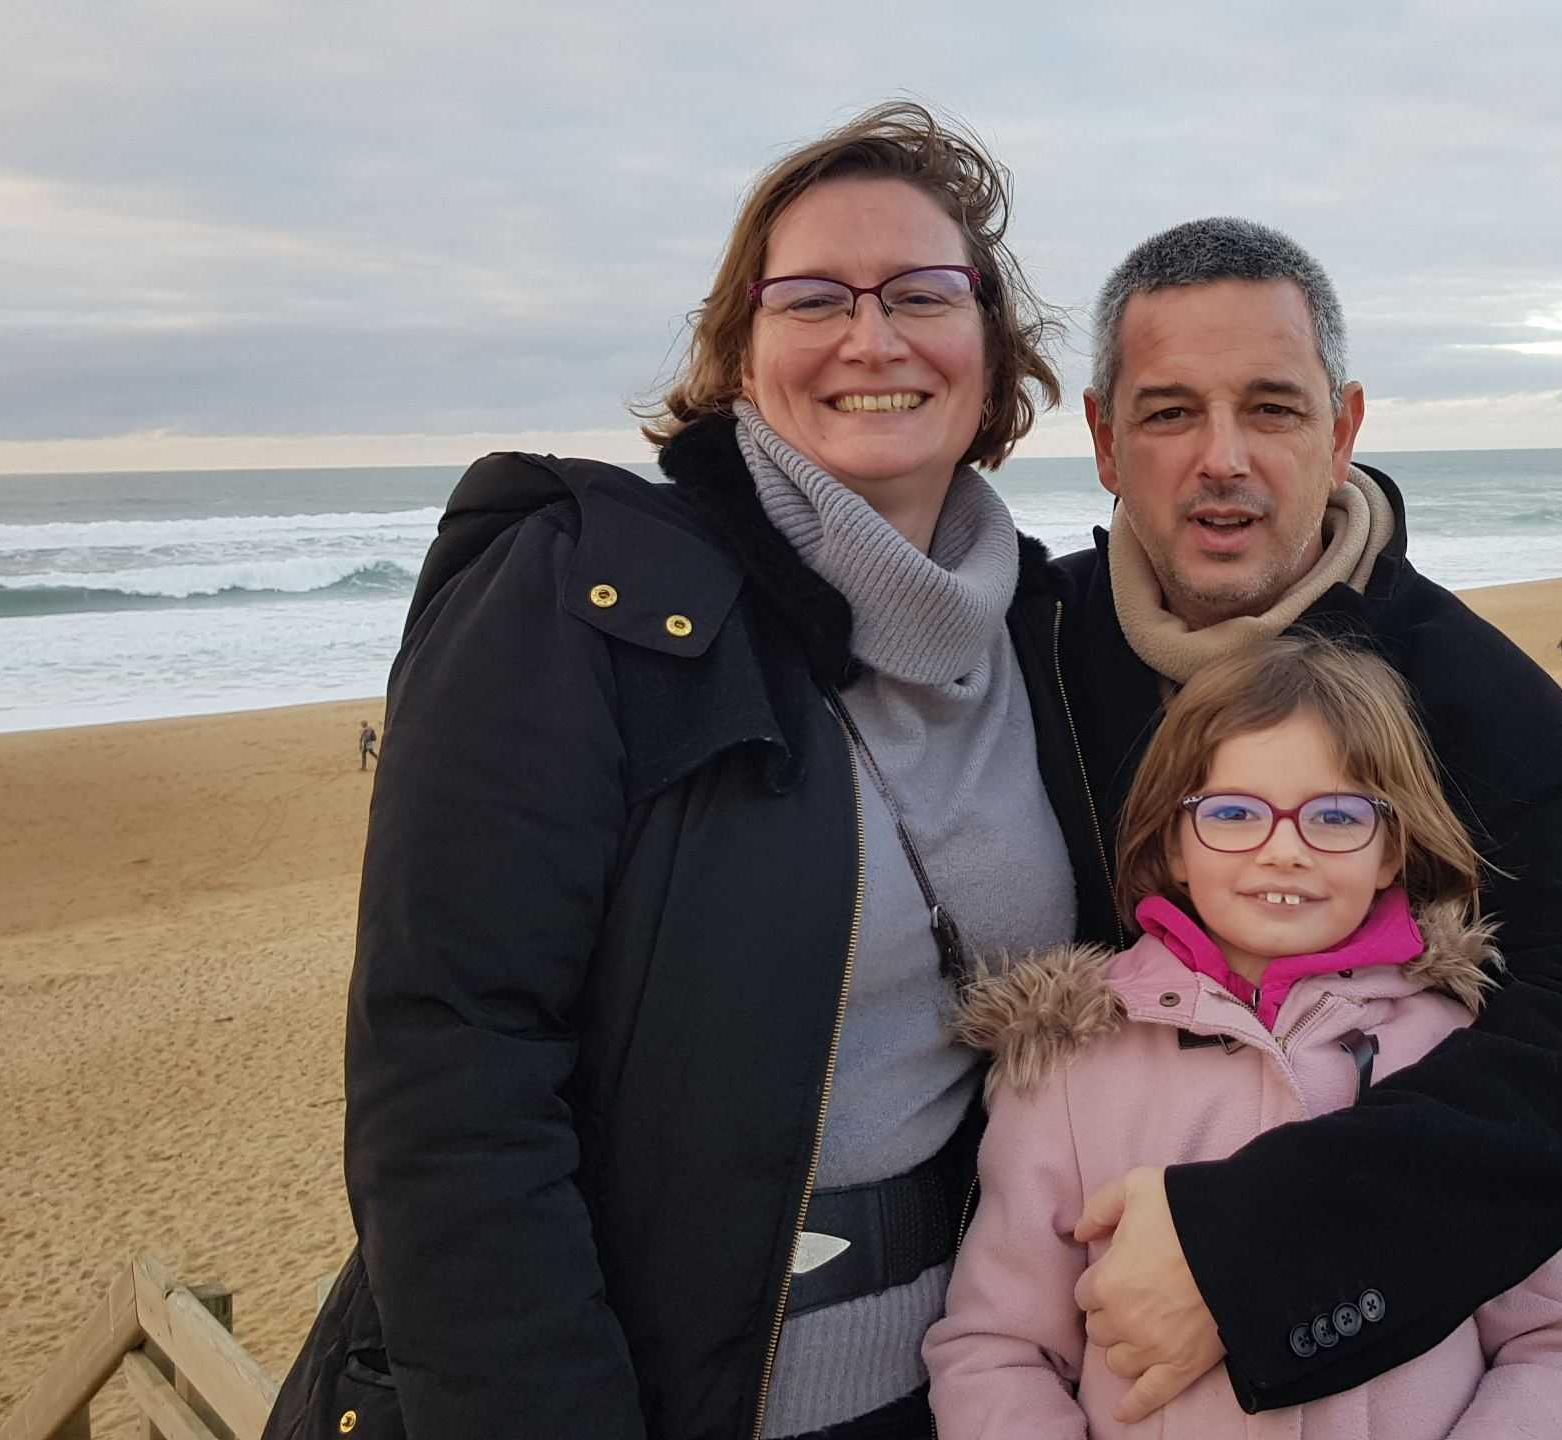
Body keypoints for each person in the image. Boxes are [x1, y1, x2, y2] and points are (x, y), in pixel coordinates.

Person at [266, 102, 1104, 1440]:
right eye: (813, 298)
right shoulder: (585, 597)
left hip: (972, 1386)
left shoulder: (1043, 639)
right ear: (738, 350)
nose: (871, 338)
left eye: (921, 294)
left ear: (992, 346)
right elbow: (451, 1076)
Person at [1046, 217, 1562, 1420]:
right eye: (1170, 412)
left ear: (1341, 431)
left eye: (1272, 409)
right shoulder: (1026, 651)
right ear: (1104, 440)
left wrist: (1248, 1250)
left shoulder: (1481, 706)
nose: (1222, 458)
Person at [926, 636, 1562, 1438]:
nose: (1285, 849)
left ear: (1391, 849)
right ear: (1174, 843)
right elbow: (998, 1354)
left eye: (1335, 816)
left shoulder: (1462, 1051)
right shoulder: (1070, 1066)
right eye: (1233, 813)